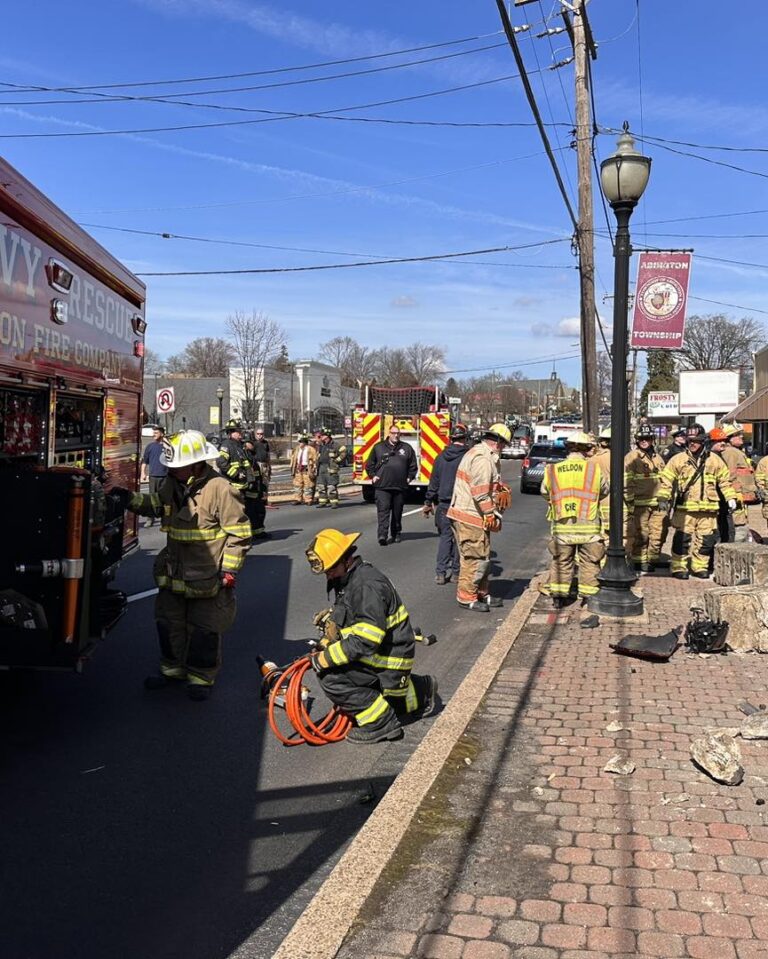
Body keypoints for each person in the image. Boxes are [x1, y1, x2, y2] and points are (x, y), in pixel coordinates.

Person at [112, 430, 251, 700]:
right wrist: (128, 499)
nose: (171, 471)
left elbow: (240, 533)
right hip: (173, 572)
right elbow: (156, 504)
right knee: (168, 623)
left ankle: (201, 678)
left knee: (203, 630)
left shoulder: (220, 488)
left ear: (197, 464)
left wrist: (229, 571)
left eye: (176, 467)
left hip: (207, 577)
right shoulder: (174, 484)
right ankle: (172, 670)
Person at [305, 528, 437, 744]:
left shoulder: (366, 586)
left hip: (388, 657)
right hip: (384, 652)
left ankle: (382, 724)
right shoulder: (349, 579)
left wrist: (325, 659)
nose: (328, 575)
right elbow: (347, 623)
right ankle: (421, 689)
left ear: (346, 559)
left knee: (330, 677)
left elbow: (365, 641)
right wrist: (325, 643)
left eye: (330, 570)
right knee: (374, 690)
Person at [658, 423, 738, 579]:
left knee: (706, 541)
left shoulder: (714, 460)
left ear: (703, 441)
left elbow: (725, 481)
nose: (692, 443)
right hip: (685, 508)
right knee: (682, 539)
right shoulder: (678, 459)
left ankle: (699, 566)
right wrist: (663, 497)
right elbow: (666, 479)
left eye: (696, 440)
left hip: (708, 509)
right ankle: (679, 567)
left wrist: (730, 497)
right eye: (690, 440)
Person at [447, 423, 512, 611]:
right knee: (473, 558)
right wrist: (490, 513)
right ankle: (467, 597)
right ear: (497, 442)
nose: (504, 448)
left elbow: (485, 485)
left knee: (482, 555)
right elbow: (480, 493)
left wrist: (499, 488)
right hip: (470, 516)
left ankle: (481, 592)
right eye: (504, 444)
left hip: (472, 515)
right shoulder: (483, 459)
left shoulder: (482, 454)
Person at [541, 431, 608, 605]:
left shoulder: (553, 470)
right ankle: (589, 597)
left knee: (561, 561)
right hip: (588, 525)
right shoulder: (594, 470)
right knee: (589, 562)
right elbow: (605, 490)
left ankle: (558, 598)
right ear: (586, 449)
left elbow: (544, 492)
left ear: (567, 448)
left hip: (563, 526)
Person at [423, 423, 469, 585]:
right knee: (459, 539)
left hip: (443, 504)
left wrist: (428, 501)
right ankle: (456, 573)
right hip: (461, 503)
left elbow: (433, 482)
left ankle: (440, 573)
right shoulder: (468, 457)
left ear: (451, 439)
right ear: (464, 438)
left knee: (445, 538)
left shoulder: (441, 457)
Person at [624, 425, 668, 572]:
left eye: (647, 438)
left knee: (658, 532)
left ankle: (653, 559)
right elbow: (627, 481)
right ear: (637, 440)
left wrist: (666, 497)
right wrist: (629, 501)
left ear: (652, 440)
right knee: (641, 533)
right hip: (639, 503)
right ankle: (639, 561)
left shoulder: (657, 457)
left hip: (658, 502)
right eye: (642, 439)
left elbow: (665, 478)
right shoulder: (632, 457)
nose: (644, 441)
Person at [365, 424, 417, 545]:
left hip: (399, 487)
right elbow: (369, 464)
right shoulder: (379, 447)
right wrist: (373, 476)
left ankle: (396, 533)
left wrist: (410, 477)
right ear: (389, 434)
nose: (396, 435)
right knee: (383, 511)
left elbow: (413, 466)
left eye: (398, 433)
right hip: (382, 486)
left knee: (397, 512)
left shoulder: (406, 448)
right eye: (393, 433)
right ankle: (382, 535)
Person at [218, 419, 268, 539]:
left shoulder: (239, 446)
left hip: (245, 486)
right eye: (238, 432)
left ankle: (251, 533)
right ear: (231, 433)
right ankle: (235, 536)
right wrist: (235, 474)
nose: (241, 434)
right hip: (233, 486)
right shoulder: (227, 445)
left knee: (249, 510)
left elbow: (247, 464)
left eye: (241, 431)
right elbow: (221, 462)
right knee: (235, 513)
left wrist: (252, 480)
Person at [719, 423, 755, 543]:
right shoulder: (730, 452)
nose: (741, 437)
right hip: (735, 497)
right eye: (737, 435)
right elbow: (728, 475)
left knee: (742, 524)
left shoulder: (736, 451)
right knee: (737, 526)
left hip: (741, 497)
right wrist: (735, 494)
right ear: (729, 438)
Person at [139, 424, 167, 527]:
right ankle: (150, 519)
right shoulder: (150, 447)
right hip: (153, 476)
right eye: (153, 433)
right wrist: (143, 473)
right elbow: (145, 461)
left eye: (156, 433)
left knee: (165, 499)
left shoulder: (167, 446)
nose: (153, 435)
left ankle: (165, 520)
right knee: (152, 499)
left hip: (165, 476)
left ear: (162, 434)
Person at [315, 428, 347, 510]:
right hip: (321, 467)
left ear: (327, 436)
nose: (320, 437)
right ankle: (322, 502)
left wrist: (336, 461)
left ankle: (334, 502)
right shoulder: (321, 445)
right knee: (321, 485)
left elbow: (343, 452)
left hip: (331, 468)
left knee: (331, 486)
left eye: (322, 435)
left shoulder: (335, 445)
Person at [592, 426, 611, 538]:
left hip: (597, 502)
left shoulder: (592, 460)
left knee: (601, 534)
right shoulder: (619, 458)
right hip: (614, 502)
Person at [290, 435, 318, 505]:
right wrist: (292, 468)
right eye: (299, 442)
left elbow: (315, 460)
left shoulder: (311, 449)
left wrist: (314, 469)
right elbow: (293, 459)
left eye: (301, 442)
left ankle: (308, 499)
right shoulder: (297, 449)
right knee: (297, 485)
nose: (299, 443)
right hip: (298, 470)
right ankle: (297, 499)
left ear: (305, 442)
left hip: (307, 470)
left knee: (308, 485)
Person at [248, 428, 272, 498]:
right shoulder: (253, 443)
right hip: (256, 465)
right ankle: (257, 498)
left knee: (265, 482)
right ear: (255, 434)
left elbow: (268, 455)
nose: (259, 435)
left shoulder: (266, 443)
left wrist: (269, 467)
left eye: (261, 434)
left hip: (265, 465)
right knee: (256, 481)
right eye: (258, 434)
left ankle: (264, 498)